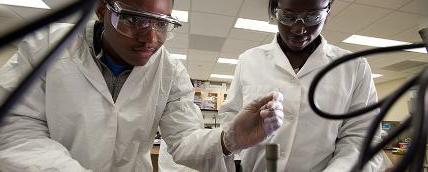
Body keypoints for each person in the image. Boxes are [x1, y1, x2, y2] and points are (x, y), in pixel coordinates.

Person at [0, 0, 285, 171]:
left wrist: (229, 138)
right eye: (133, 20)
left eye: (161, 23)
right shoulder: (46, 47)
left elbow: (184, 140)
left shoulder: (170, 71)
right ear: (102, 10)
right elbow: (15, 132)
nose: (149, 38)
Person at [219, 0, 387, 171]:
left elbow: (361, 138)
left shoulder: (354, 67)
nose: (299, 29)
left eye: (313, 17)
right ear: (274, 10)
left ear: (327, 13)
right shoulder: (249, 60)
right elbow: (230, 122)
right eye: (288, 16)